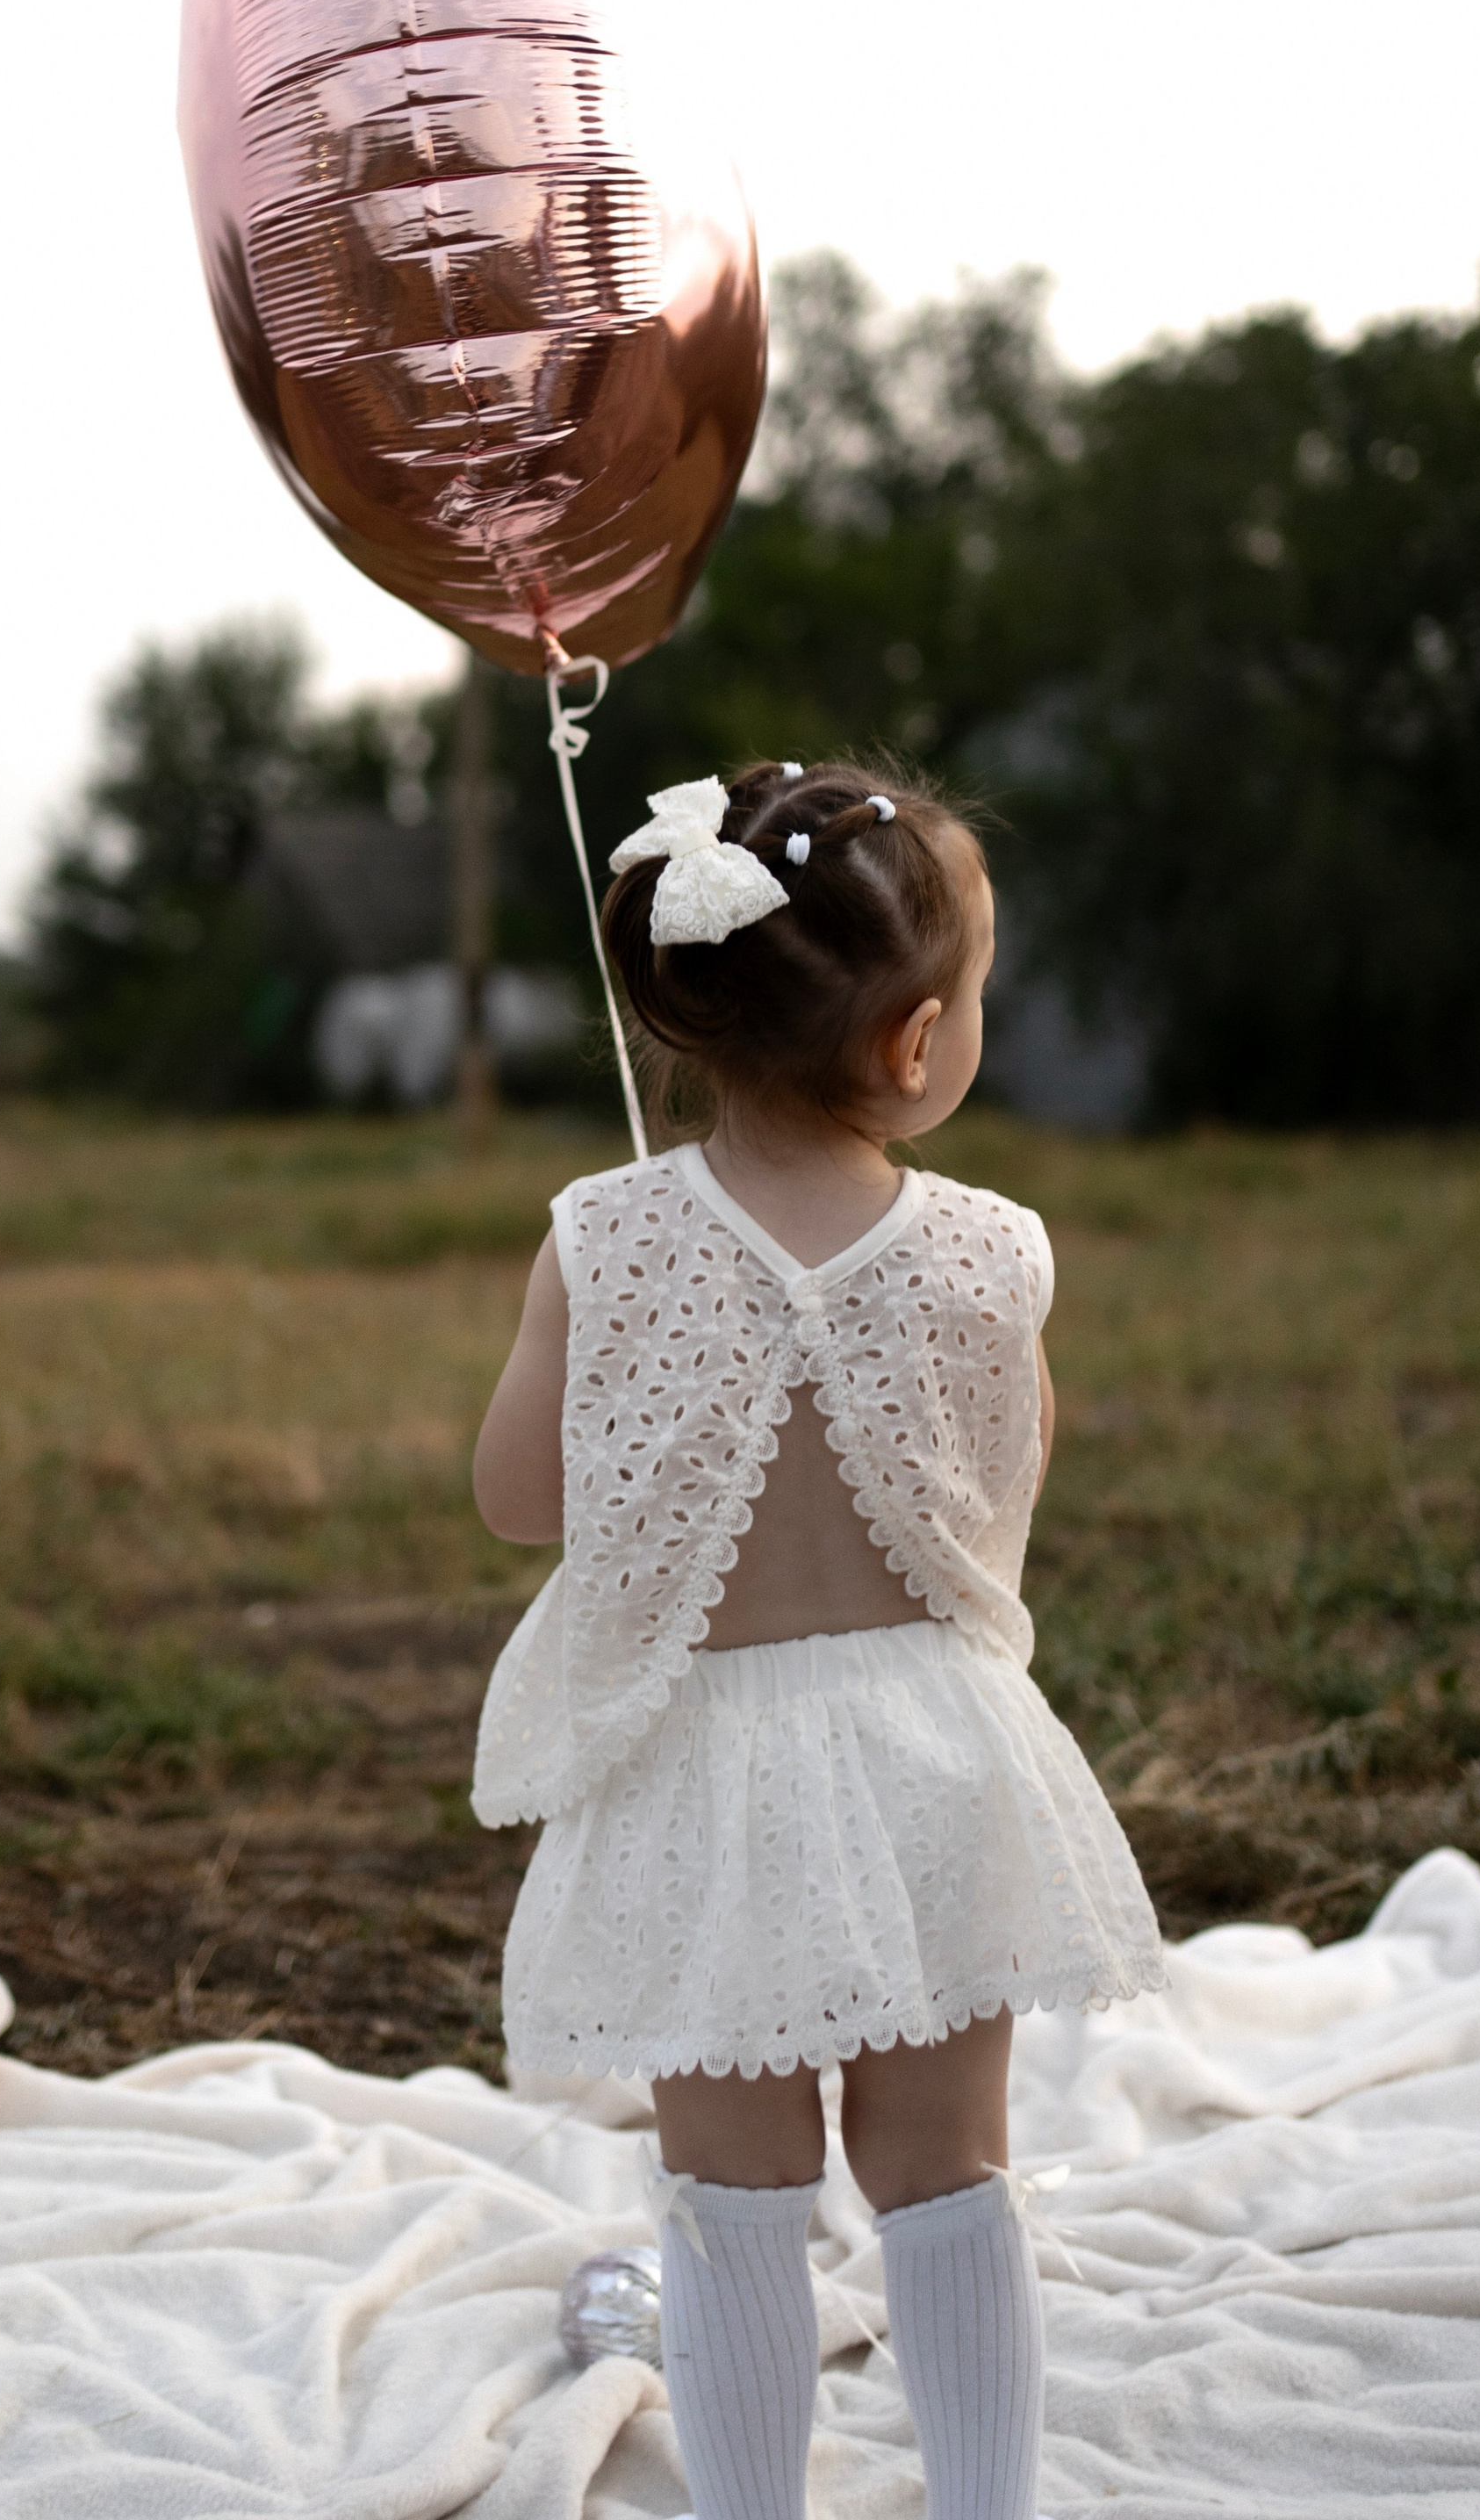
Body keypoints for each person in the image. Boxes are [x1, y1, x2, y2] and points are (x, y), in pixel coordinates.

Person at [471, 760, 1165, 2520]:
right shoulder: (991, 1251)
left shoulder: (603, 1237)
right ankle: (986, 2505)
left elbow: (516, 1498)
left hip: (708, 1781)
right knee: (948, 2179)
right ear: (917, 1042)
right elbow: (1001, 1473)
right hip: (932, 1758)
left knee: (733, 2202)